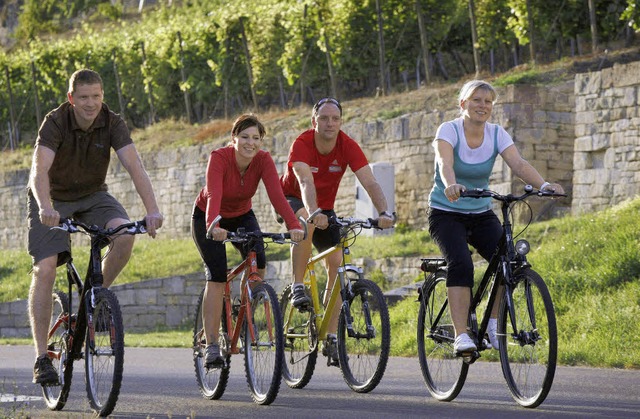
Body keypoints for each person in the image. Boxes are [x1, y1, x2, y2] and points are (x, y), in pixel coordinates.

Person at [27, 68, 164, 385]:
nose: (91, 104)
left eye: (97, 97)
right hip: (51, 198)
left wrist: (153, 210)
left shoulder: (112, 122)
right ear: (71, 98)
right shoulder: (56, 121)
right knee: (46, 269)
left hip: (92, 197)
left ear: (103, 96)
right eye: (84, 97)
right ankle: (40, 358)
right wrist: (46, 207)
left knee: (125, 234)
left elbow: (134, 165)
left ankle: (93, 300)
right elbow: (39, 169)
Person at [428, 80, 565, 353]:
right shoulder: (449, 129)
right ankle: (461, 336)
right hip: (446, 213)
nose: (483, 106)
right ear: (463, 104)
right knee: (462, 264)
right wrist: (451, 185)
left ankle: (493, 324)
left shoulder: (496, 133)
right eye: (477, 100)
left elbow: (518, 163)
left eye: (488, 101)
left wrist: (544, 186)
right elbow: (445, 163)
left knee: (510, 260)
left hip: (480, 212)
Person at [280, 97, 395, 366]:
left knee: (339, 264)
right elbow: (305, 181)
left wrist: (384, 213)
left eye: (335, 118)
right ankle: (298, 285)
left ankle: (331, 335)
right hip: (293, 200)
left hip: (325, 209)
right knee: (305, 225)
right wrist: (312, 212)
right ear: (314, 121)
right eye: (324, 118)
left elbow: (369, 180)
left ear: (341, 122)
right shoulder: (302, 143)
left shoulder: (347, 145)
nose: (330, 123)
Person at [191, 114, 305, 368]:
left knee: (259, 263)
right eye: (244, 137)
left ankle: (241, 312)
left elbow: (277, 196)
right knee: (217, 275)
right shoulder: (219, 158)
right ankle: (211, 345)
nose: (249, 143)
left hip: (242, 214)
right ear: (234, 138)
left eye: (255, 138)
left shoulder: (263, 160)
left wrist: (294, 226)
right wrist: (214, 225)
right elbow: (214, 194)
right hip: (208, 216)